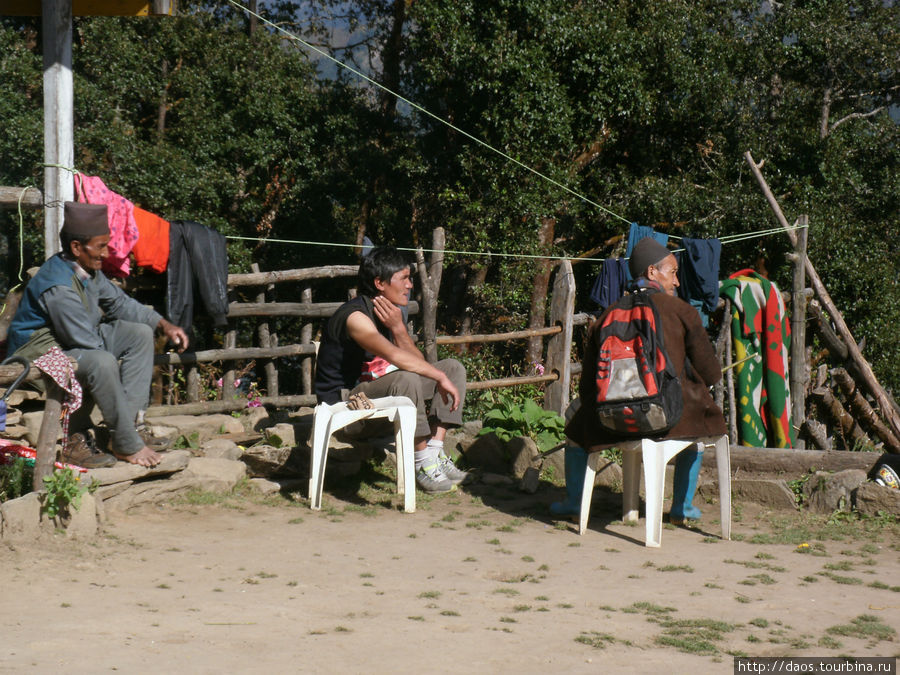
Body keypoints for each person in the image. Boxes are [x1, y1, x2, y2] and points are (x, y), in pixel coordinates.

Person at [552, 237, 727, 524]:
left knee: (575, 424)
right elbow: (710, 373)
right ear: (651, 272)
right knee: (697, 435)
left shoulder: (608, 315)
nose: (678, 282)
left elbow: (587, 385)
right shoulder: (683, 311)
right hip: (669, 419)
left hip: (611, 421)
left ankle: (574, 502)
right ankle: (682, 508)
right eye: (672, 272)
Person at [6, 202, 189, 469]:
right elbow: (83, 342)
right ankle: (126, 443)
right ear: (77, 248)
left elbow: (120, 303)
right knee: (101, 362)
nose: (106, 253)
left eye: (107, 244)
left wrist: (164, 324)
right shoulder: (58, 286)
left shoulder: (88, 271)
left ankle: (132, 425)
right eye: (100, 246)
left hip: (73, 339)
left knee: (139, 333)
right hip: (40, 354)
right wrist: (108, 363)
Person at [314, 246, 468, 494]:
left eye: (410, 278)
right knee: (407, 379)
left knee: (452, 369)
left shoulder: (387, 314)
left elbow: (419, 363)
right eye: (404, 278)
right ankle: (421, 463)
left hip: (378, 396)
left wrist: (398, 330)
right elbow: (396, 357)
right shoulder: (355, 317)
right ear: (379, 283)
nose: (410, 285)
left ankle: (434, 453)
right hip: (348, 406)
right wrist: (437, 377)